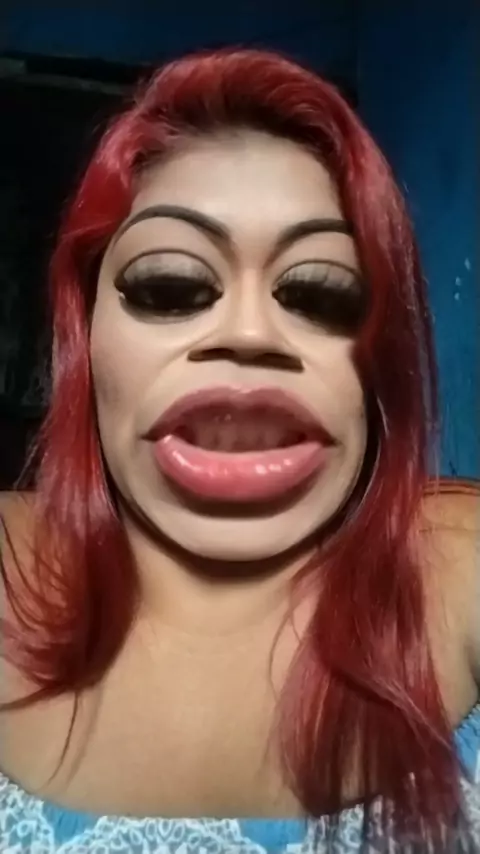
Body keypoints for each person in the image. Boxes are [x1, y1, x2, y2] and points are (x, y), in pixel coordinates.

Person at [0, 47, 478, 854]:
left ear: (380, 369)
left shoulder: (459, 566)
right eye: (169, 285)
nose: (250, 334)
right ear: (83, 341)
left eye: (321, 293)